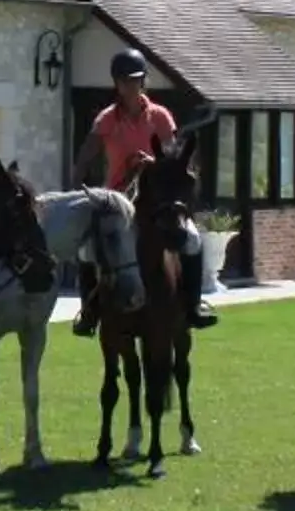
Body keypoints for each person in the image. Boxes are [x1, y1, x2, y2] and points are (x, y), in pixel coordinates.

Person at [69, 48, 217, 334]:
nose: (130, 86)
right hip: (118, 198)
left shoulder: (160, 116)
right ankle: (89, 313)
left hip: (156, 199)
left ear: (143, 81)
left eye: (135, 80)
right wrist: (77, 184)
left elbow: (173, 153)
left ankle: (194, 305)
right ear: (116, 84)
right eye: (124, 81)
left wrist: (157, 162)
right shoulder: (107, 119)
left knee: (192, 241)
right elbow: (87, 153)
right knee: (87, 249)